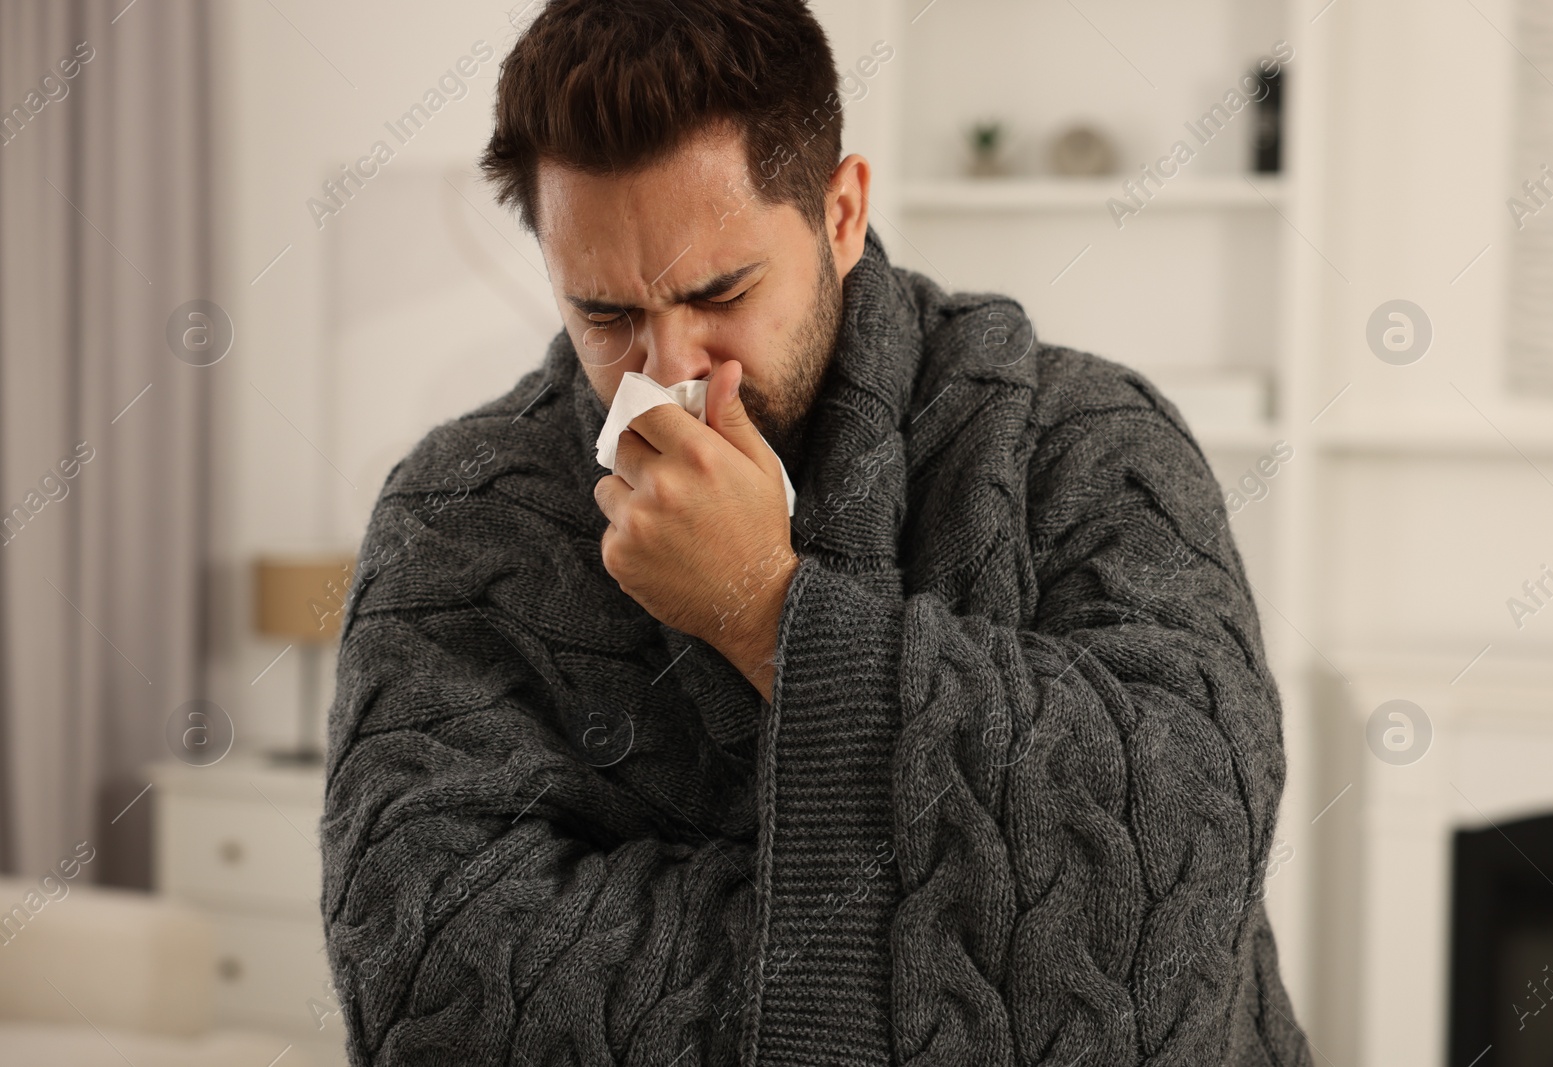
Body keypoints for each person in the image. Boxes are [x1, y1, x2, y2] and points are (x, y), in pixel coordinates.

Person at [319, 1, 1313, 1064]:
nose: (669, 369)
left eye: (721, 291)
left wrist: (767, 607)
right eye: (605, 314)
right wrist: (966, 938)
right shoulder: (457, 516)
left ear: (840, 213)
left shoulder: (1087, 437)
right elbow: (431, 981)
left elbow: (1180, 858)